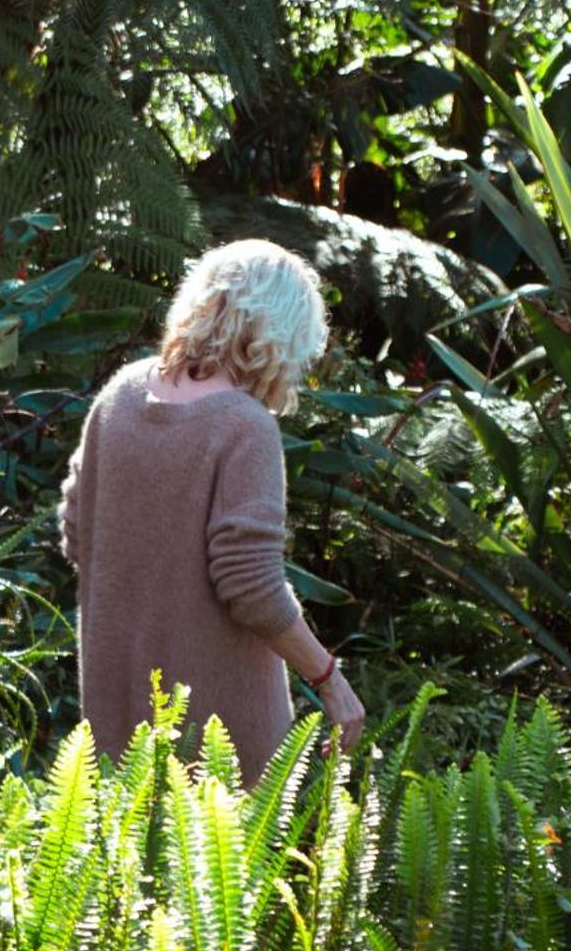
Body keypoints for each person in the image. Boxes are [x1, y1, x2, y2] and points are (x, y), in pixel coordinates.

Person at [57, 237, 366, 789]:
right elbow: (250, 585)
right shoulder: (243, 427)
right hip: (220, 734)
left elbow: (76, 534)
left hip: (115, 712)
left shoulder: (118, 399)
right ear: (282, 337)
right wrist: (327, 677)